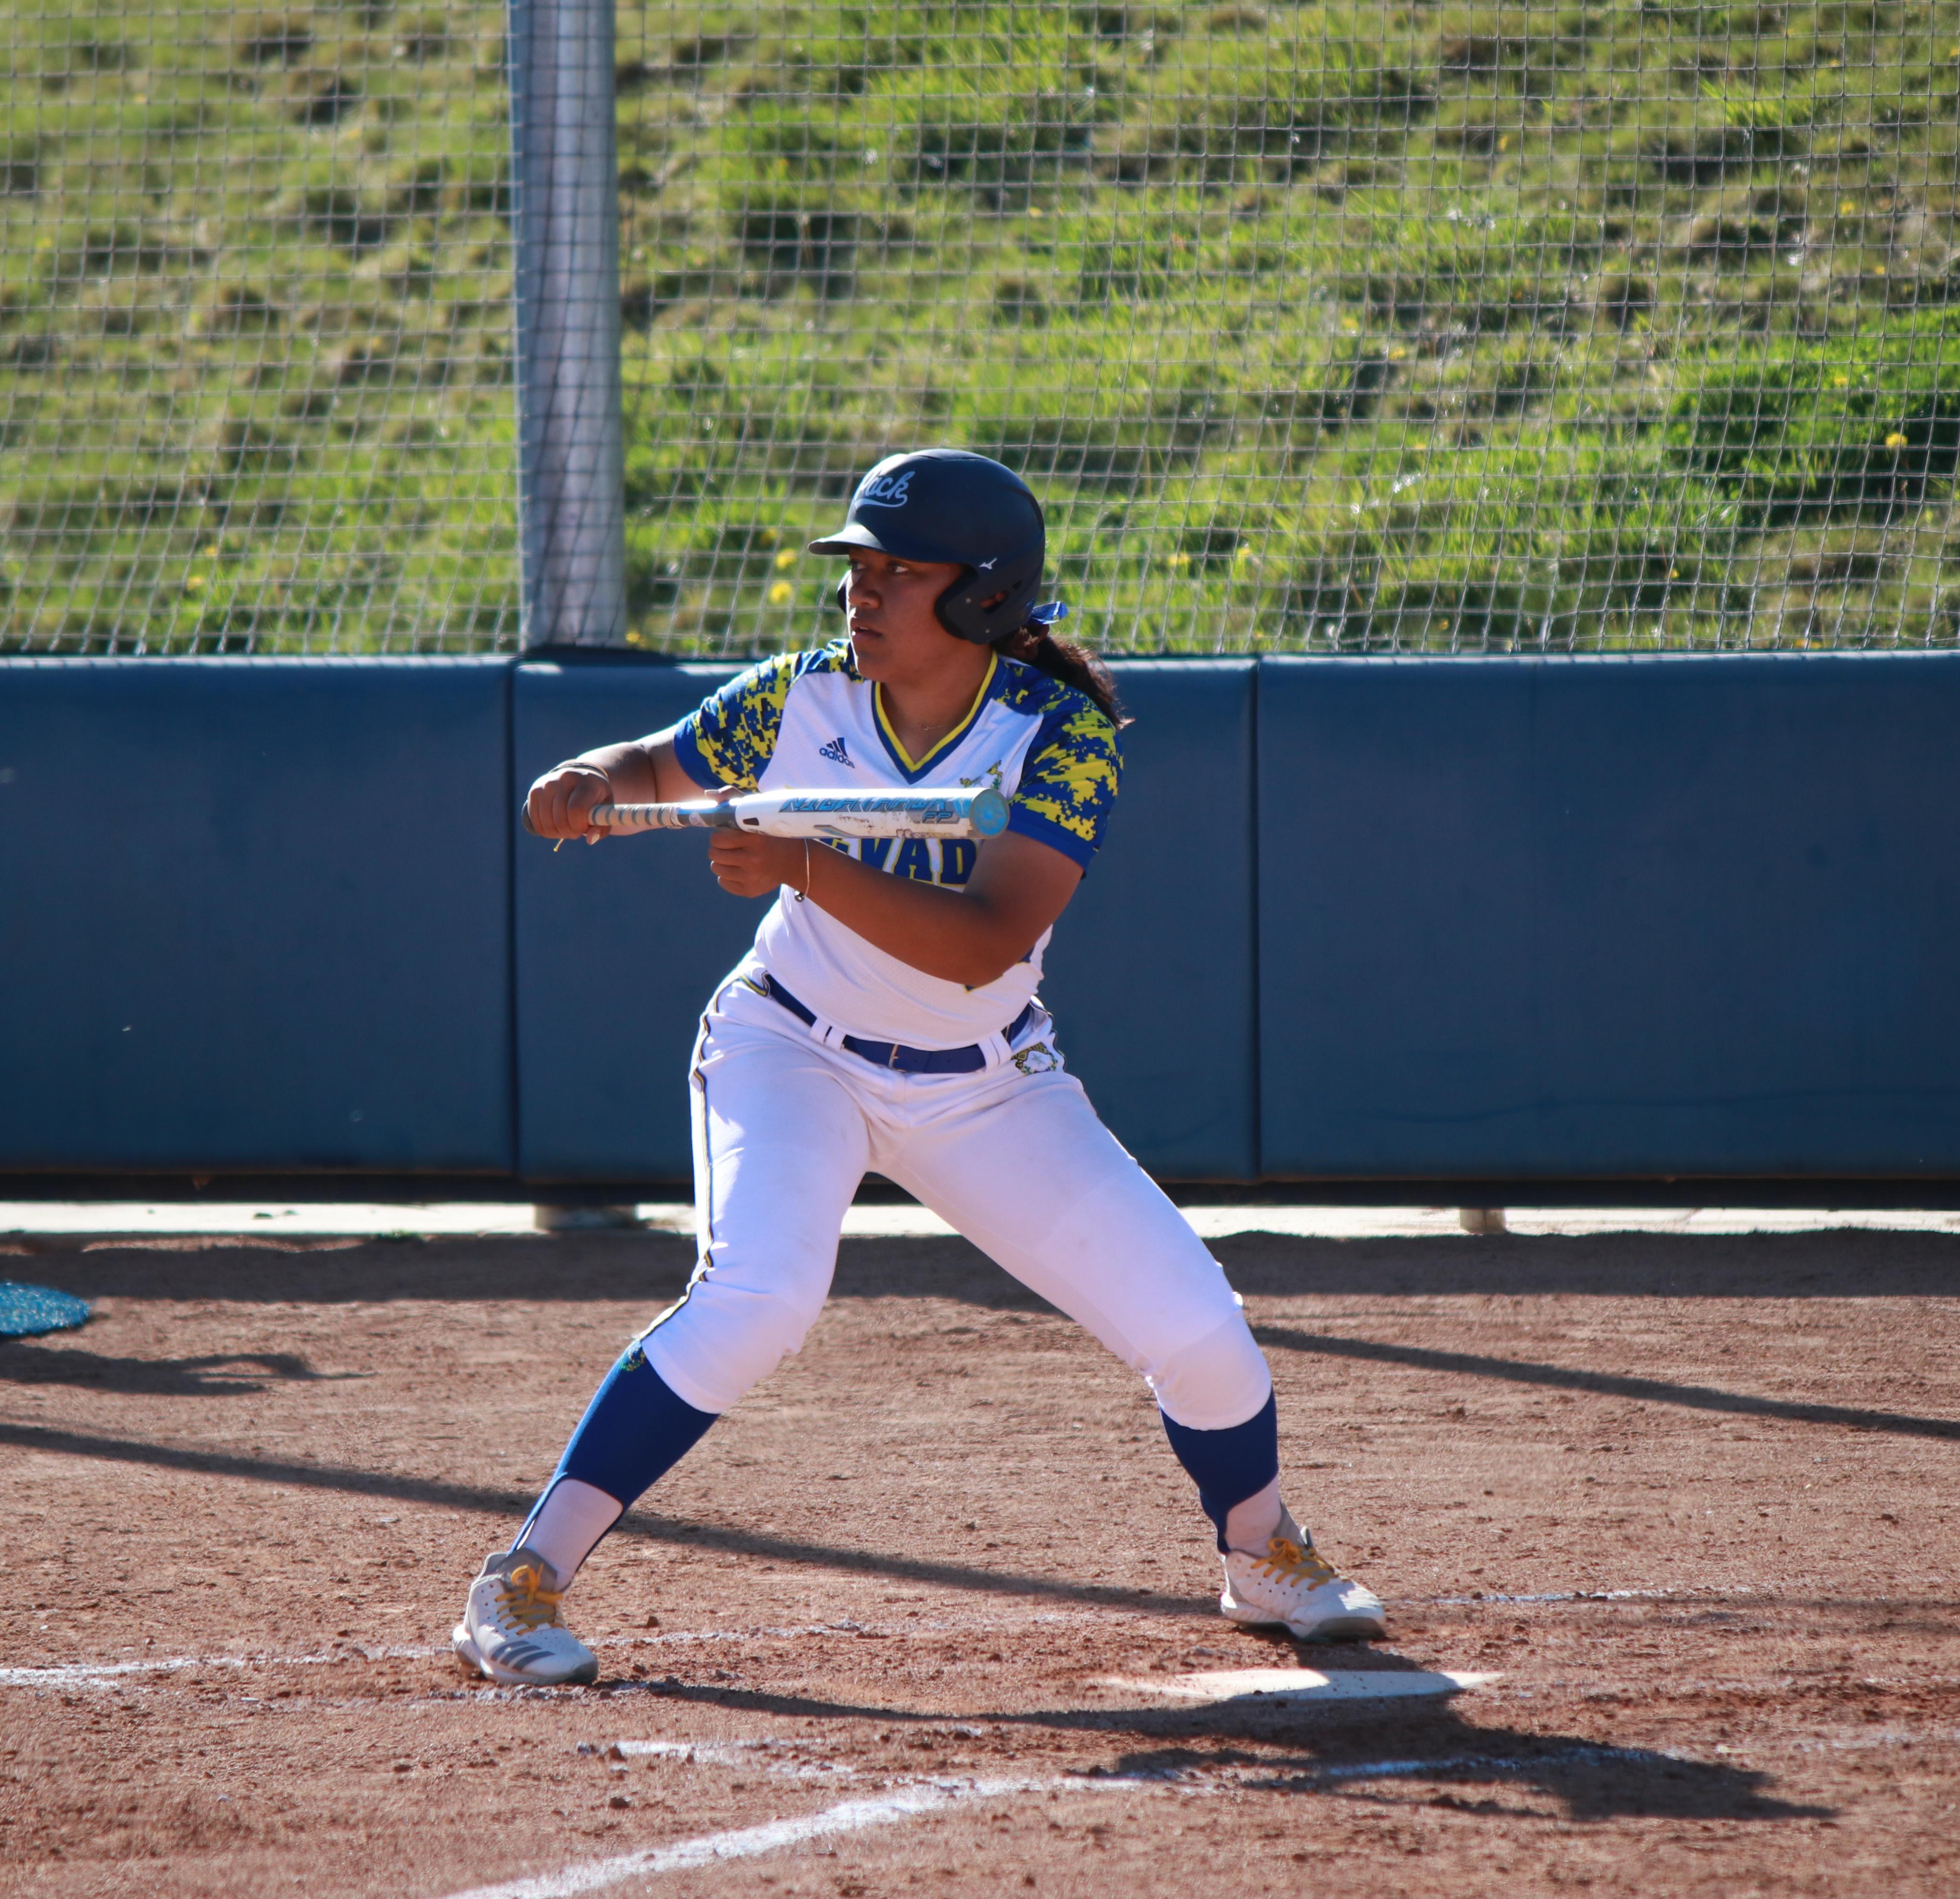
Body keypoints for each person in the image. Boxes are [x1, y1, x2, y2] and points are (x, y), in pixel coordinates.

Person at [453, 449, 1386, 1685]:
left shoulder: (1062, 735)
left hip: (987, 1080)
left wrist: (804, 866)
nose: (864, 592)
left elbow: (987, 939)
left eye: (901, 572)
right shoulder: (802, 696)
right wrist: (590, 786)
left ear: (983, 597)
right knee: (759, 1300)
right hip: (790, 1047)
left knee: (1203, 1332)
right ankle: (521, 1581)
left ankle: (1261, 1551)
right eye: (859, 569)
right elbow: (654, 765)